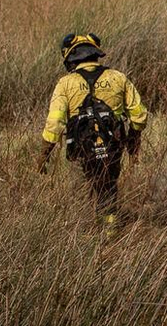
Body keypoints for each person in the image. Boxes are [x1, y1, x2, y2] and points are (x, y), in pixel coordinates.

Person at [38, 32, 147, 225]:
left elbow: (55, 123)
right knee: (109, 186)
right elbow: (139, 115)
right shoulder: (118, 78)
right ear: (95, 53)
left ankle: (92, 231)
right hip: (113, 146)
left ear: (70, 58)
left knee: (84, 191)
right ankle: (110, 227)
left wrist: (44, 155)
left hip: (81, 150)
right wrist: (133, 140)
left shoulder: (65, 84)